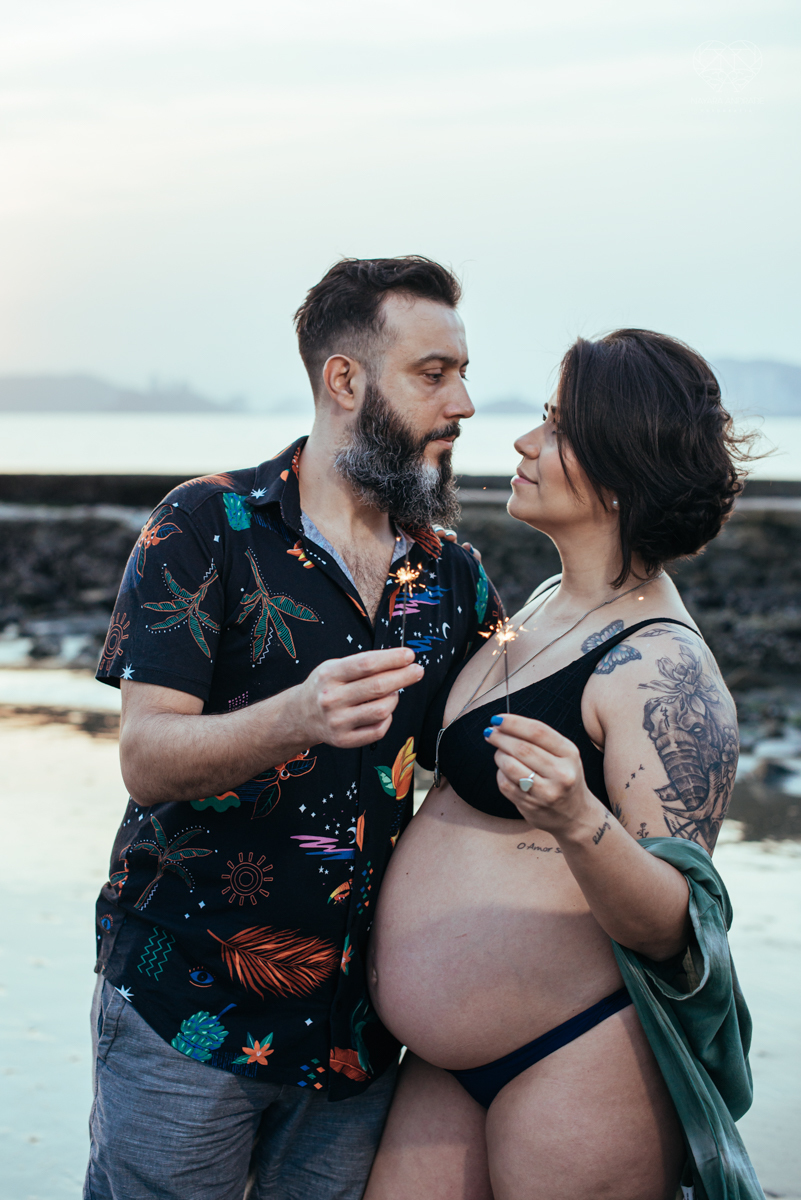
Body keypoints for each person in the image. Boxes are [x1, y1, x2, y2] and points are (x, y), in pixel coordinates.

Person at [85, 256, 503, 1200]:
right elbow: (146, 761)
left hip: (358, 1038)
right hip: (186, 1008)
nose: (465, 404)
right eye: (433, 374)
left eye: (463, 374)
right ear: (344, 379)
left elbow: (488, 755)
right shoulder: (204, 526)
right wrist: (297, 716)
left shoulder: (454, 573)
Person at [365, 329, 762, 1200]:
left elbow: (680, 929)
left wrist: (580, 821)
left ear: (621, 473)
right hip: (441, 1066)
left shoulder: (663, 670)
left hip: (575, 1059)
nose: (522, 442)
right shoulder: (543, 604)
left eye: (555, 426)